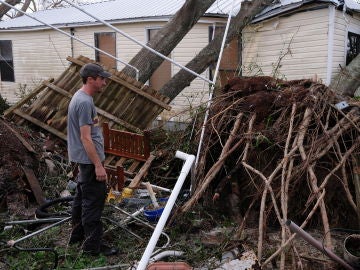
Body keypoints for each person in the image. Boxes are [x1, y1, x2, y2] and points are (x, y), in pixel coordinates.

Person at [67, 63, 118, 256]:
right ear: (91, 79)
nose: (105, 82)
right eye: (102, 78)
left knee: (81, 199)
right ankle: (91, 248)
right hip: (90, 162)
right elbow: (85, 137)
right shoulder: (84, 102)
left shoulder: (81, 97)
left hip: (84, 159)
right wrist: (98, 165)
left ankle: (77, 237)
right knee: (93, 204)